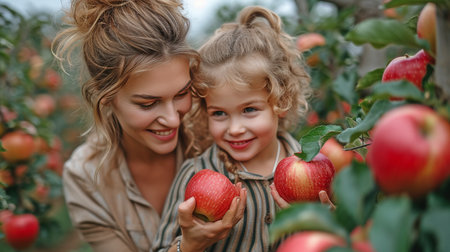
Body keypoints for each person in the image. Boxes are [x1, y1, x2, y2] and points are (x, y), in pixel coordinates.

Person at [52, 0, 245, 251]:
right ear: (106, 97)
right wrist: (187, 247)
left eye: (181, 93)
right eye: (148, 103)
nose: (173, 119)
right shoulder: (86, 178)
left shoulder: (221, 136)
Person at [153, 6, 314, 252]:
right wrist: (189, 245)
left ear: (281, 101)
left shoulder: (310, 167)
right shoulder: (195, 174)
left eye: (249, 110)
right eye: (219, 113)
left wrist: (327, 221)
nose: (235, 129)